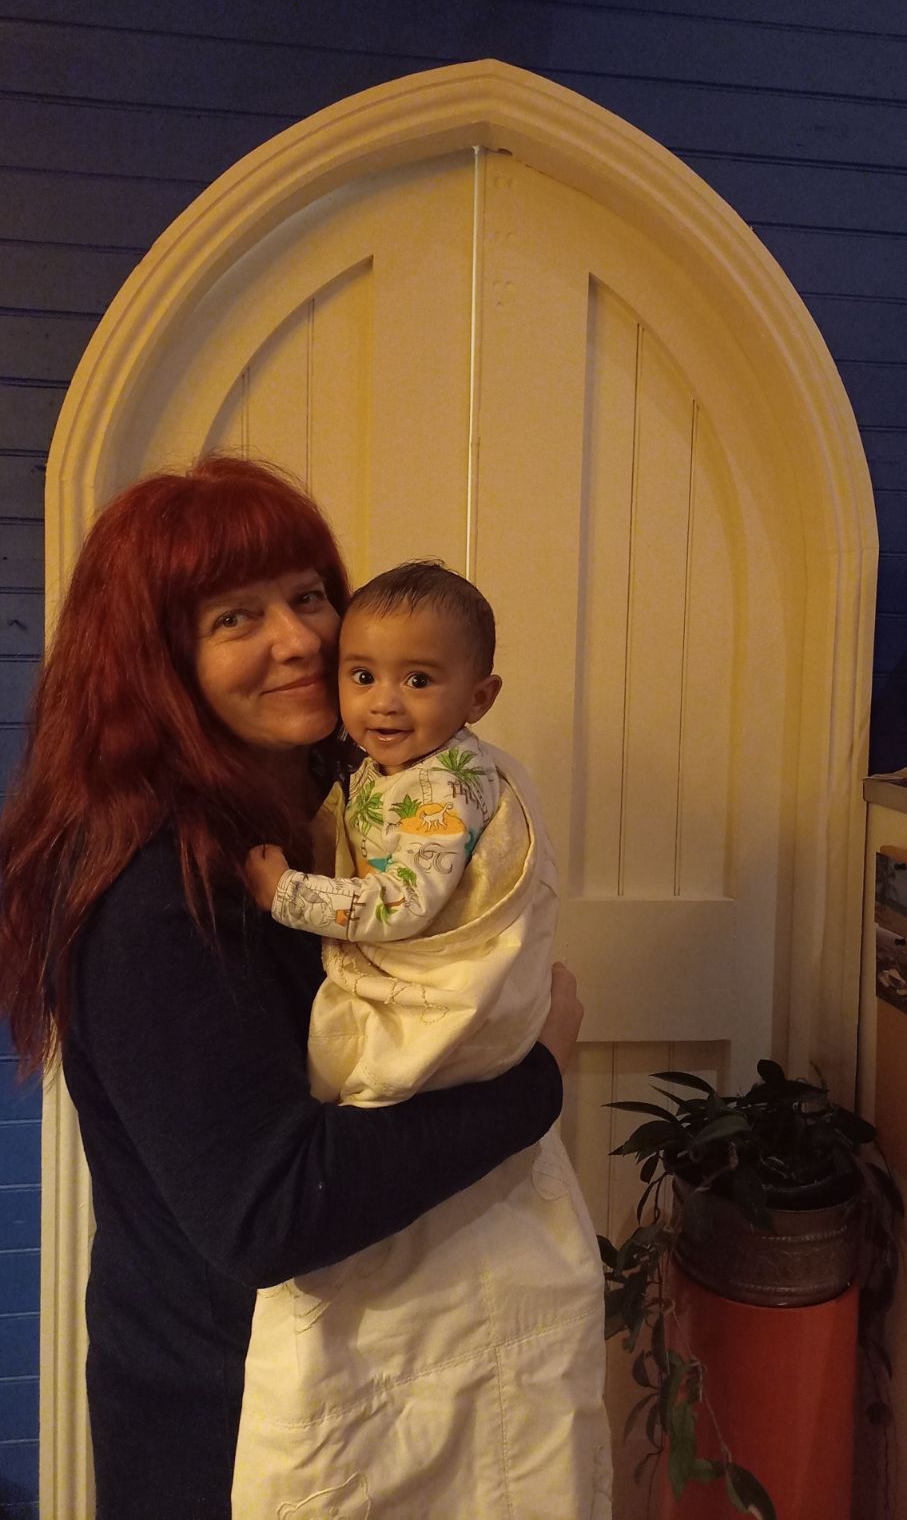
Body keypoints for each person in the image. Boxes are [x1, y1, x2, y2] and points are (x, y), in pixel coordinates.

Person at [0, 454, 587, 1520]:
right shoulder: (152, 887)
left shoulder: (352, 799)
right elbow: (268, 1210)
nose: (304, 638)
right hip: (227, 1423)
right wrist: (538, 1072)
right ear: (155, 664)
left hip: (371, 1382)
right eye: (237, 617)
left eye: (309, 594)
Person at [232, 562, 611, 1518]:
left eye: (417, 679)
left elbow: (401, 905)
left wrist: (285, 893)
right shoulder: (385, 773)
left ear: (478, 695)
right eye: (363, 676)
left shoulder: (439, 790)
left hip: (457, 1047)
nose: (383, 702)